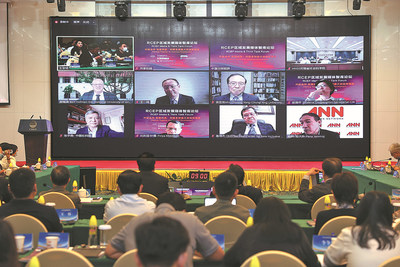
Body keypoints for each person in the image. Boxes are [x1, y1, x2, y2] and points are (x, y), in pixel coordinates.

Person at [105, 192, 224, 267]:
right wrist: (196, 251)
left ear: (138, 260)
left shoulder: (136, 221)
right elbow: (219, 255)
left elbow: (110, 251)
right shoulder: (190, 220)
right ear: (182, 258)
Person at [224, 197, 320, 267]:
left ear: (258, 214)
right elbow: (313, 262)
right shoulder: (296, 231)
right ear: (285, 213)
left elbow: (229, 261)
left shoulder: (250, 233)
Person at [324, 191, 400, 267]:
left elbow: (328, 261)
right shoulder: (398, 238)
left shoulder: (350, 234)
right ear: (389, 213)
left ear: (361, 211)